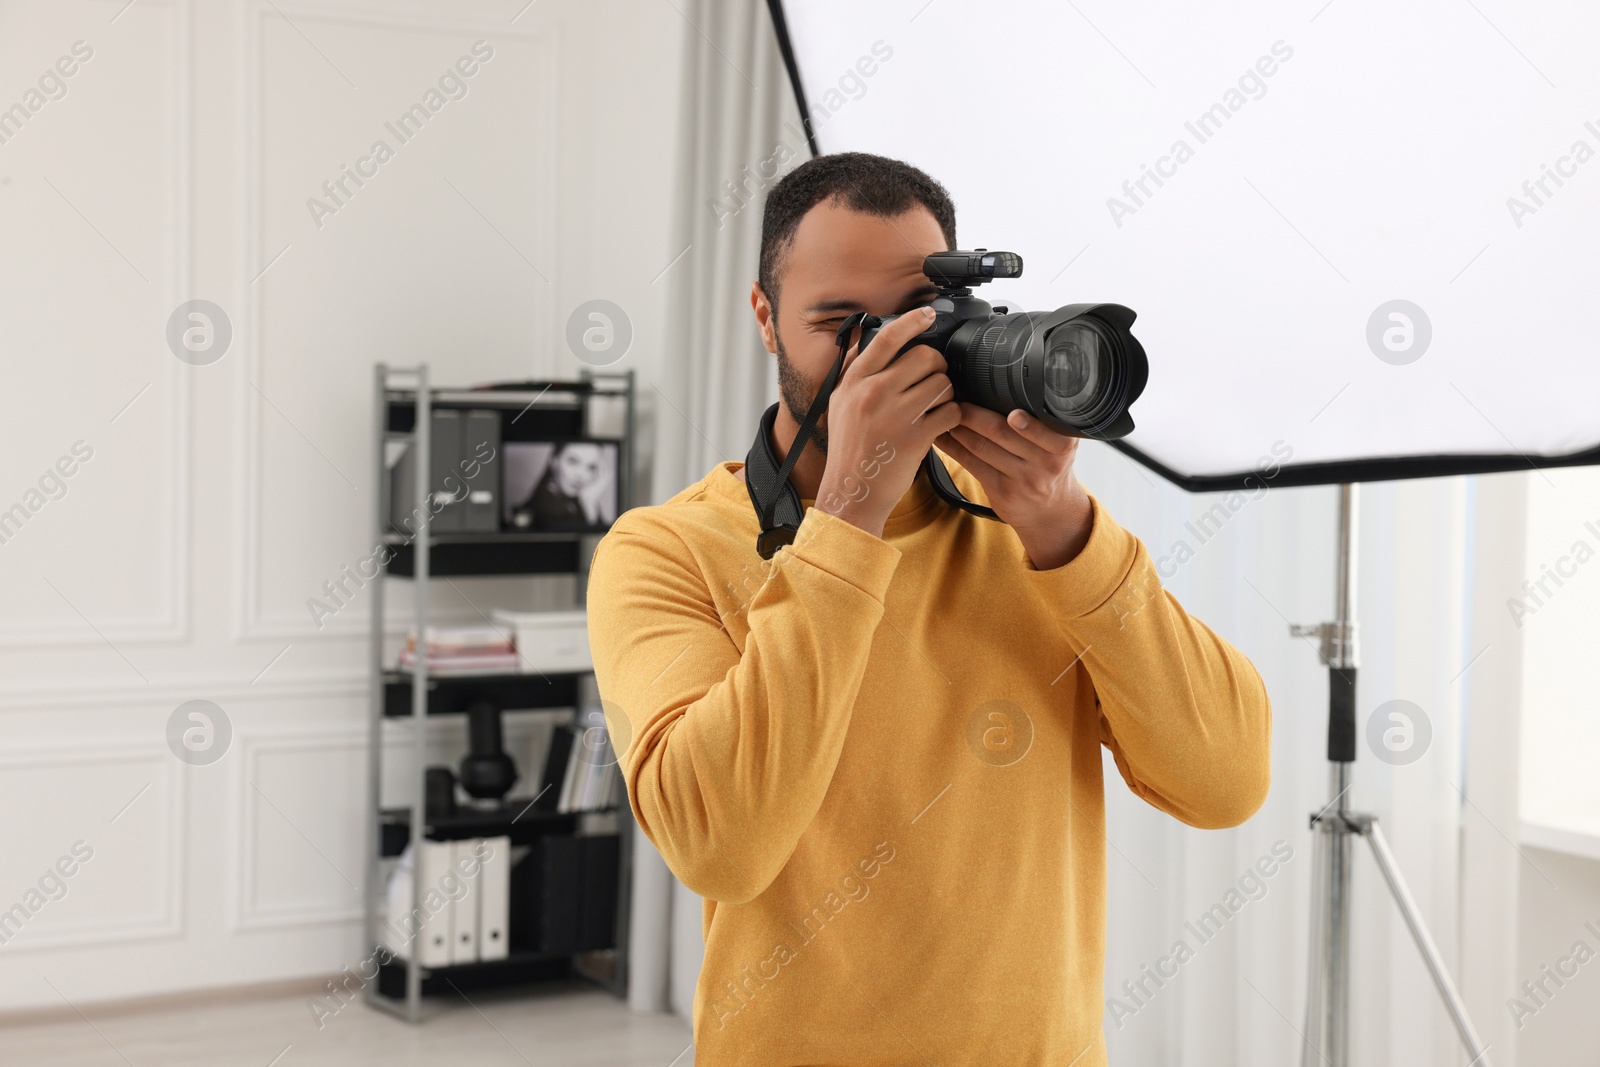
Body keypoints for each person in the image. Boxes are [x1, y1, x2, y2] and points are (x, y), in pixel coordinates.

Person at [585, 152, 1272, 1066]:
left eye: (917, 322)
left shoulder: (1034, 535)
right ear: (764, 317)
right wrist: (848, 516)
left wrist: (1066, 530)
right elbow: (719, 843)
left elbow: (1226, 782)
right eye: (843, 325)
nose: (886, 358)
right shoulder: (665, 549)